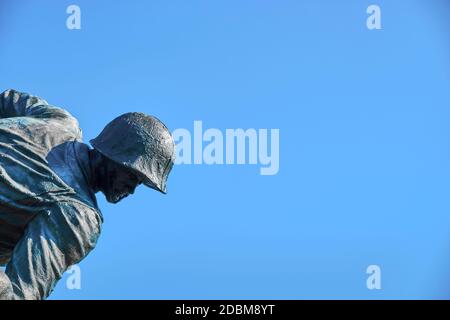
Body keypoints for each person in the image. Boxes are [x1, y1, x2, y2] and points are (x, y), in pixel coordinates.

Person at [0, 89, 175, 300]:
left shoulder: (62, 121)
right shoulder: (78, 215)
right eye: (132, 177)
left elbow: (7, 99)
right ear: (115, 157)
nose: (131, 190)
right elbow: (22, 294)